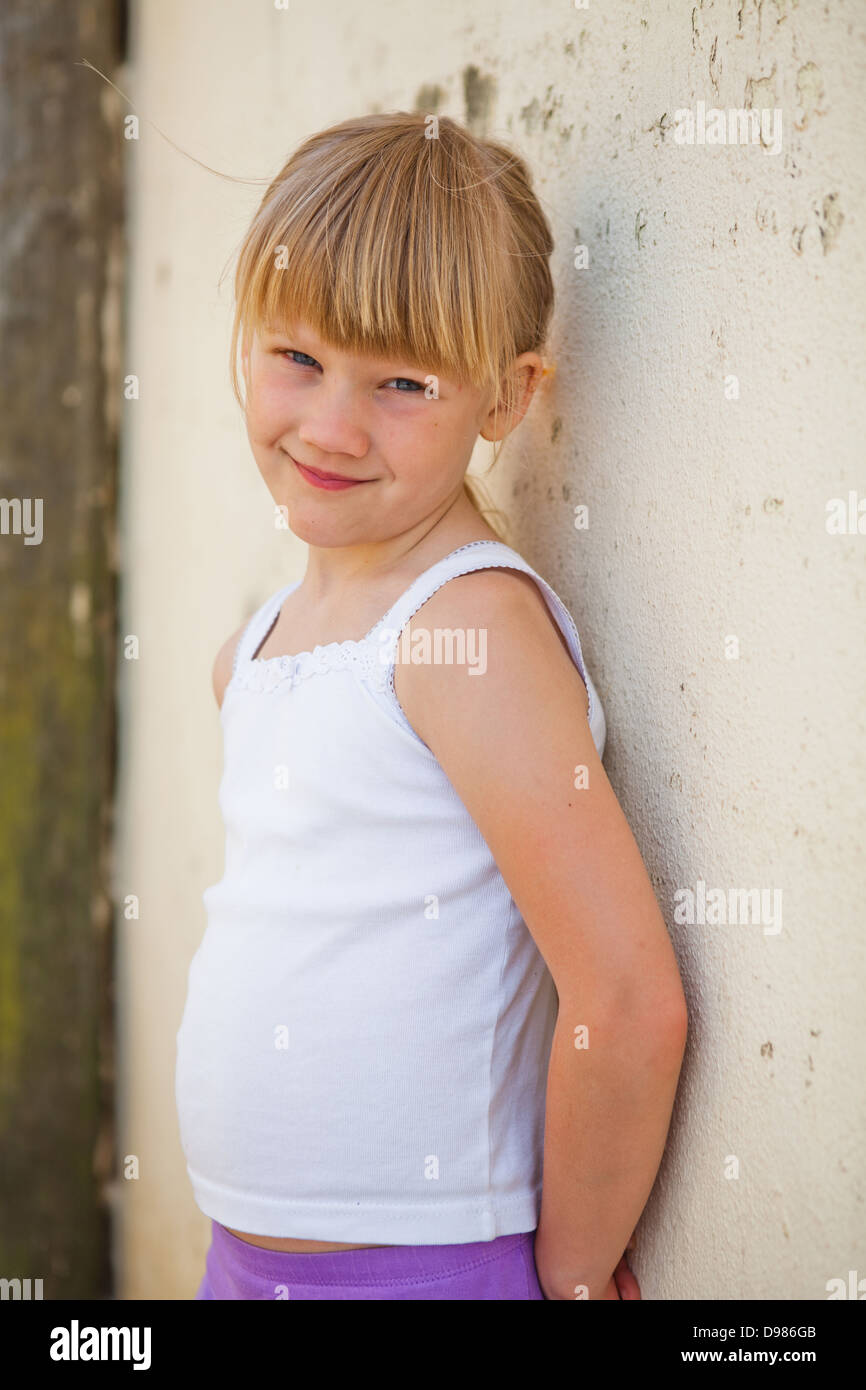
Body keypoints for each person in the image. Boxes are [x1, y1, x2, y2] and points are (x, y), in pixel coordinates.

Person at [175, 110, 688, 1300]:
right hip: (238, 1259)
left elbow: (623, 998)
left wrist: (565, 1277)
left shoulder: (463, 634)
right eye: (295, 358)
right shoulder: (247, 655)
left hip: (422, 1272)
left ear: (506, 399)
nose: (331, 427)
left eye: (401, 382)